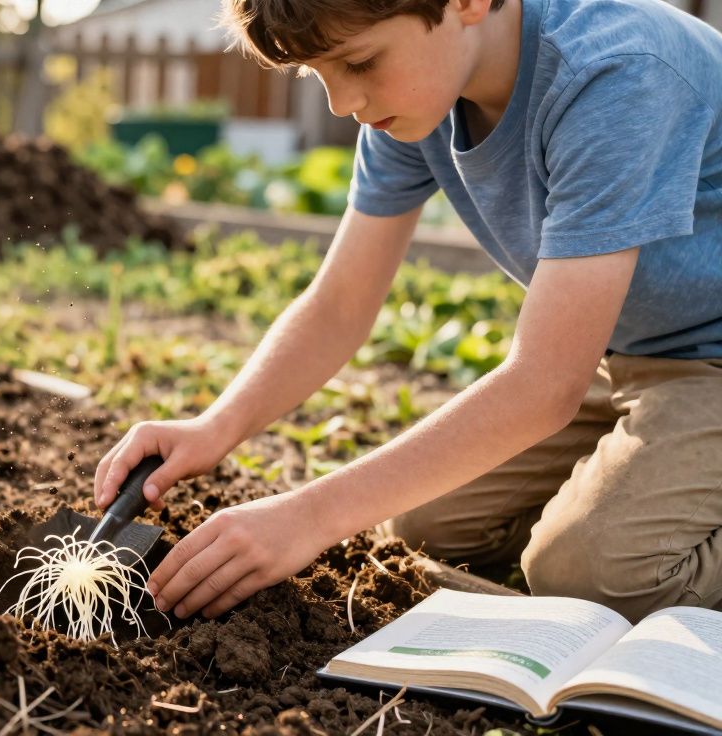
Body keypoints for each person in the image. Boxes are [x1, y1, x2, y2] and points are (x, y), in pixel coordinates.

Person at [94, 0, 722, 623]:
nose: (342, 103)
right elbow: (340, 305)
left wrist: (308, 516)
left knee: (591, 573)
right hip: (623, 353)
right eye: (318, 73)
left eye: (359, 63)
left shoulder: (615, 74)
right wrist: (214, 427)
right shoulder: (421, 100)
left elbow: (546, 384)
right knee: (422, 525)